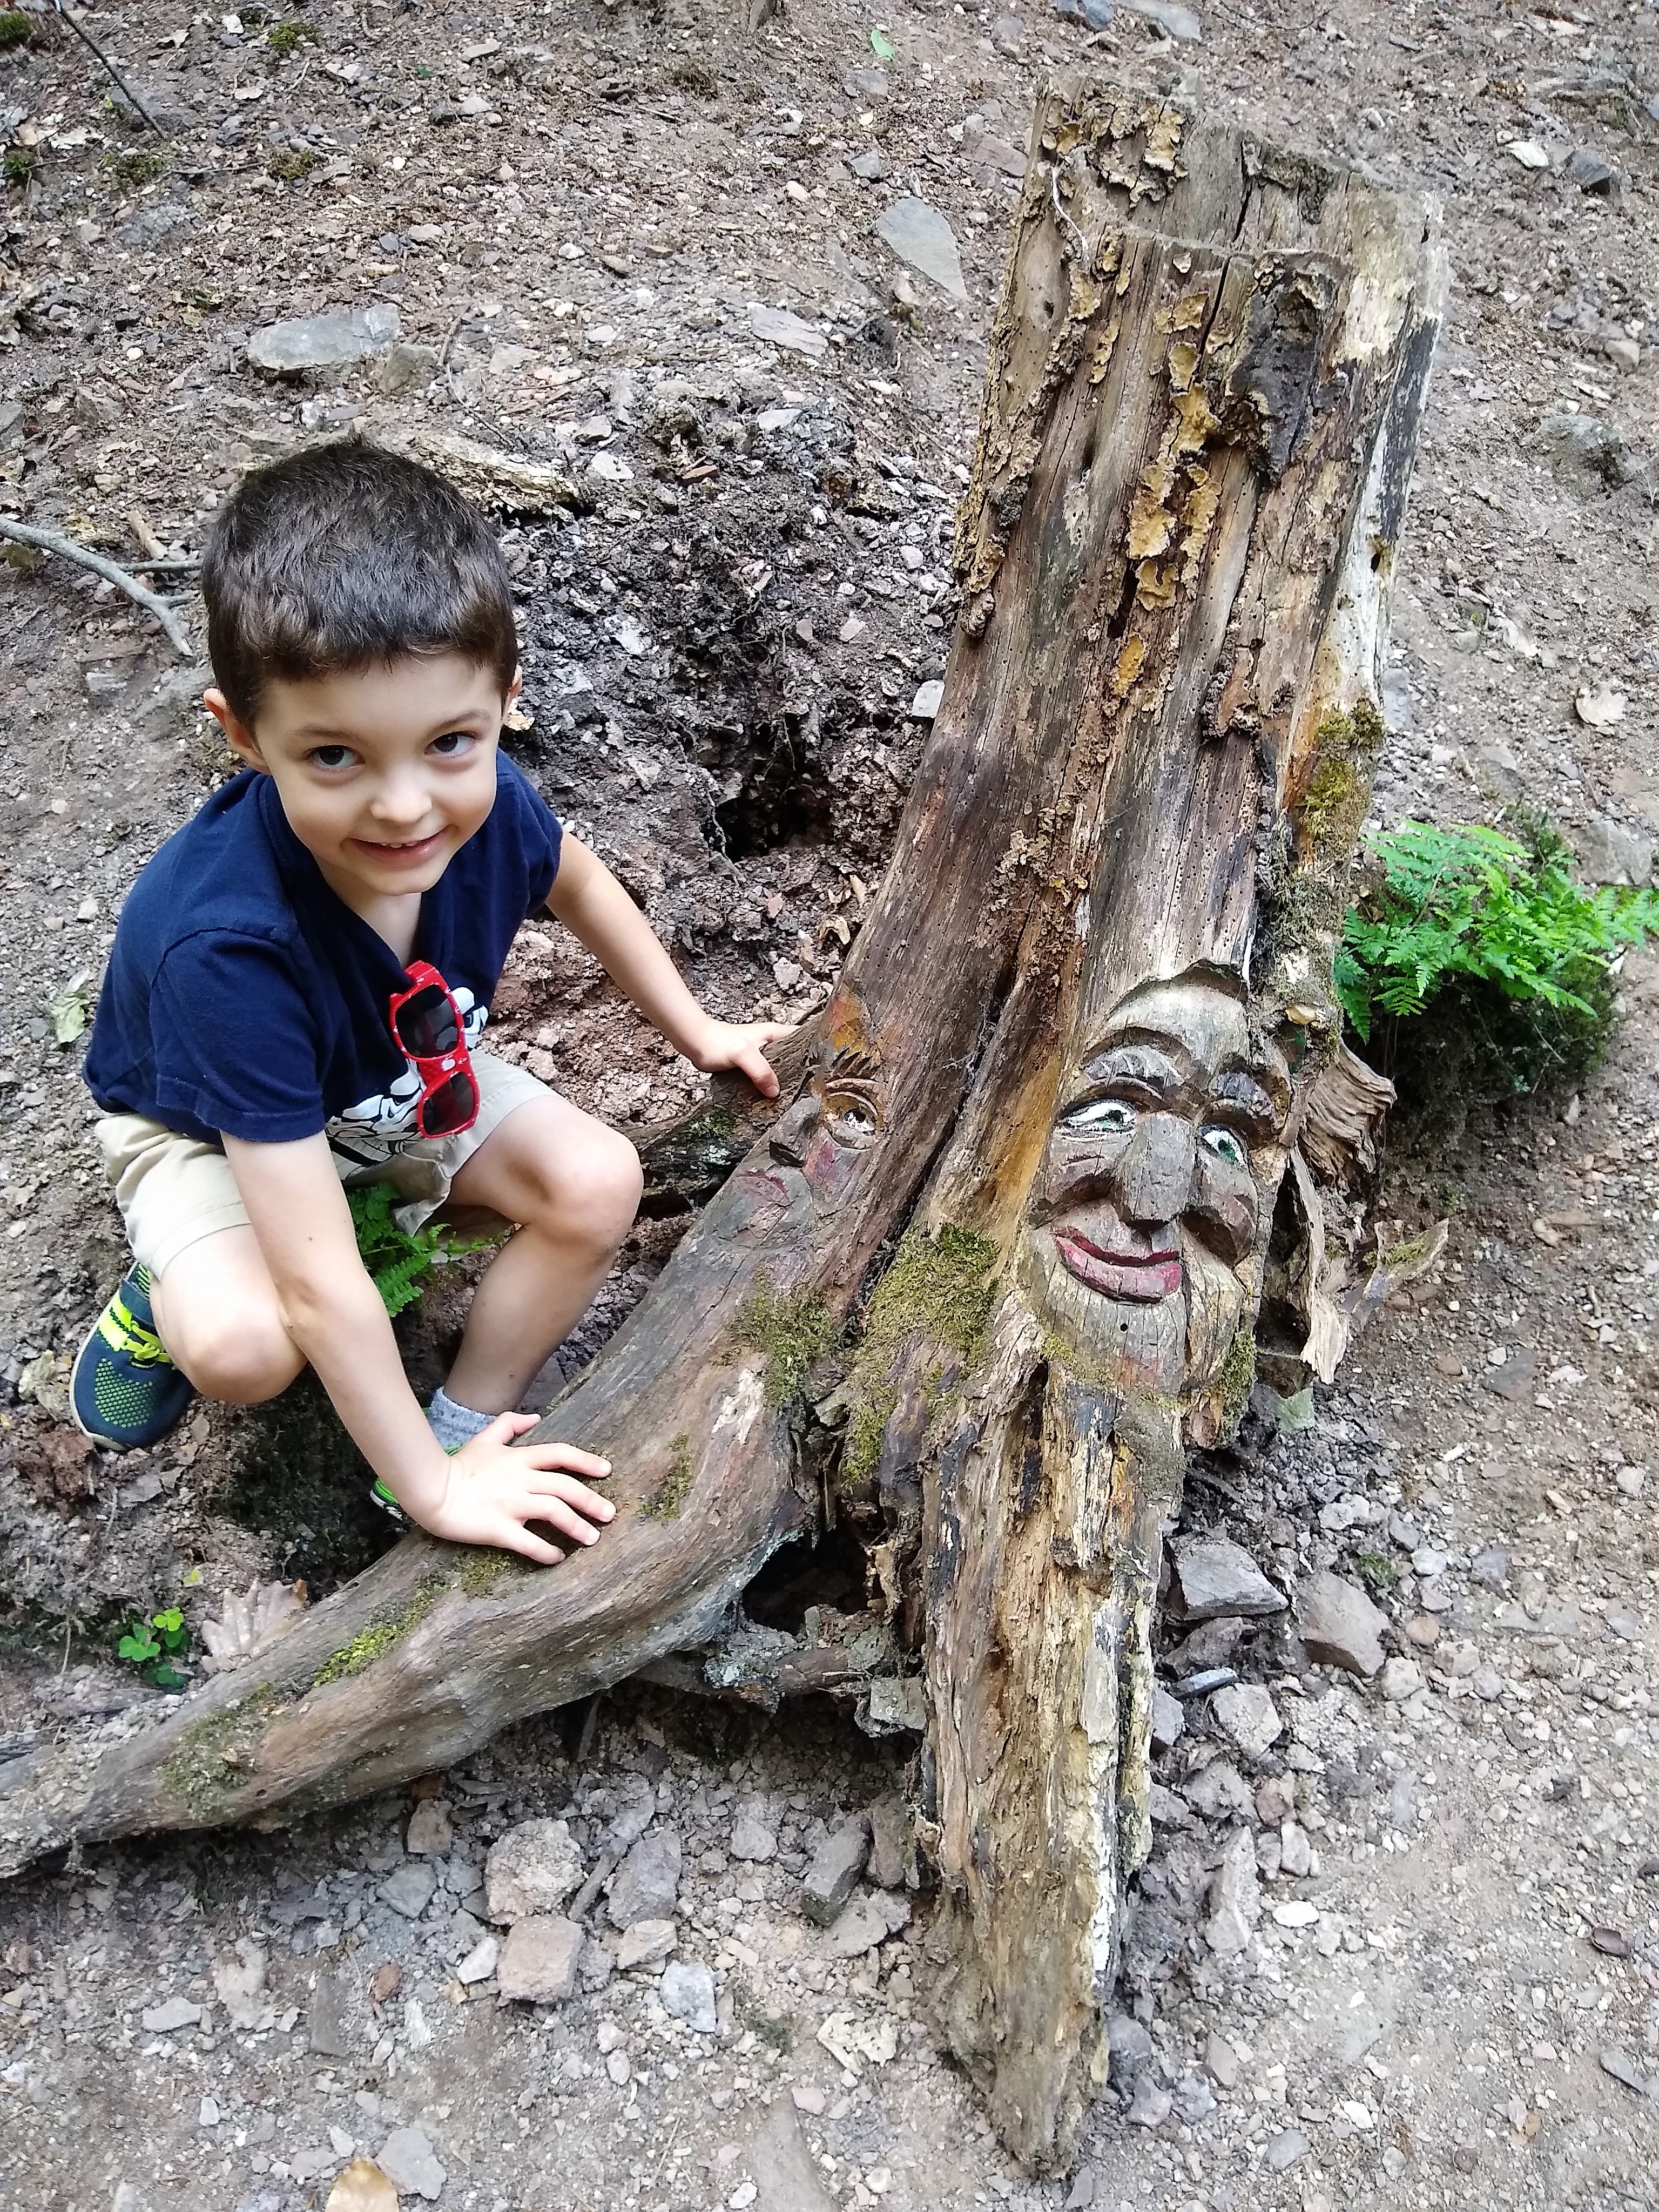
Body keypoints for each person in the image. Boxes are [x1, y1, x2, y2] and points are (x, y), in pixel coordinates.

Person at [72, 442, 788, 1563]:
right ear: (245, 736)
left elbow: (582, 882)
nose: (405, 804)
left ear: (504, 701)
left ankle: (463, 1419)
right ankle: (160, 1297)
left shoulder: (486, 794)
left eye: (448, 742)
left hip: (393, 1079)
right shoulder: (227, 947)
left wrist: (698, 1029)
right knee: (250, 1346)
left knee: (598, 1180)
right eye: (337, 755)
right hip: (215, 1127)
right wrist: (444, 1495)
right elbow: (318, 1289)